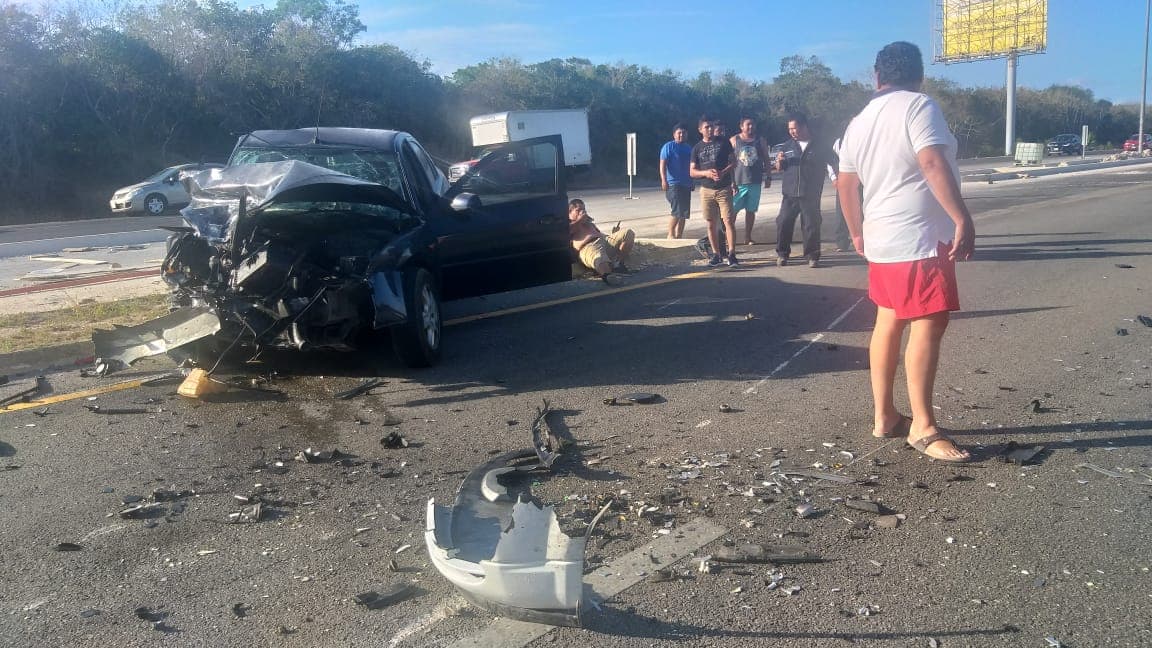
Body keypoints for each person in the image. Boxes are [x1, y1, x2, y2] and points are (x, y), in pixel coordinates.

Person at [837, 41, 976, 463]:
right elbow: (932, 162)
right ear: (919, 76)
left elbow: (845, 184)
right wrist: (962, 218)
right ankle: (923, 425)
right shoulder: (919, 106)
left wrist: (857, 233)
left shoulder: (858, 121)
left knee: (889, 319)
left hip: (882, 237)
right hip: (917, 238)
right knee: (929, 322)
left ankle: (884, 416)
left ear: (877, 77)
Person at [773, 113, 830, 268]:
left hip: (810, 193)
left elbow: (833, 162)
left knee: (811, 225)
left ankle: (812, 256)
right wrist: (779, 162)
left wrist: (837, 178)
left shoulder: (819, 145)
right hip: (790, 193)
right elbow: (779, 168)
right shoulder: (787, 146)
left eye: (794, 128)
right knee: (783, 222)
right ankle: (782, 254)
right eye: (789, 129)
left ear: (804, 126)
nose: (792, 132)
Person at [690, 115, 738, 267]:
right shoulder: (696, 148)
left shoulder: (724, 143)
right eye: (706, 127)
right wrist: (706, 173)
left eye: (711, 127)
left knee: (728, 221)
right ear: (700, 130)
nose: (710, 130)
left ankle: (731, 254)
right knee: (710, 223)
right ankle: (716, 254)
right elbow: (692, 172)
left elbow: (734, 162)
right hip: (706, 190)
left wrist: (723, 172)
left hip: (724, 188)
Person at [730, 117, 773, 246]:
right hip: (738, 182)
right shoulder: (734, 140)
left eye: (753, 124)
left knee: (751, 211)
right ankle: (729, 238)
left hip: (755, 181)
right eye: (748, 125)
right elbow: (729, 161)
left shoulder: (760, 140)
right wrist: (731, 181)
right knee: (732, 212)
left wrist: (769, 176)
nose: (750, 127)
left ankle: (748, 237)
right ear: (741, 126)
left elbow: (766, 159)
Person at [569, 198, 635, 276]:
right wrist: (580, 220)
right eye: (578, 210)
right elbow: (567, 232)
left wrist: (614, 234)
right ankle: (609, 276)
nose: (582, 212)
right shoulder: (568, 224)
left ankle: (618, 265)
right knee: (599, 258)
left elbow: (598, 233)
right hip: (588, 247)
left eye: (583, 209)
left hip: (604, 241)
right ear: (569, 212)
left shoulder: (588, 223)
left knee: (628, 233)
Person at [659, 124, 693, 239]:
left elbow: (691, 166)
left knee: (684, 212)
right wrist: (663, 180)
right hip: (673, 183)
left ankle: (679, 235)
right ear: (674, 134)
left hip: (686, 183)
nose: (681, 135)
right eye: (679, 133)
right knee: (677, 210)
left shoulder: (689, 148)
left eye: (684, 133)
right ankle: (671, 233)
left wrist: (691, 181)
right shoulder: (668, 147)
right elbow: (662, 164)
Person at [828, 136, 854, 252]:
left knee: (865, 210)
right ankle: (841, 241)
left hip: (861, 179)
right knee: (841, 211)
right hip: (843, 180)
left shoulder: (864, 138)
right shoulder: (838, 142)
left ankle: (865, 239)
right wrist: (833, 177)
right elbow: (830, 161)